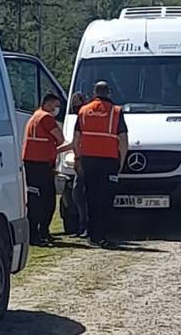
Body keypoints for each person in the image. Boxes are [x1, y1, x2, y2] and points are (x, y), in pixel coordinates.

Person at [73, 81, 128, 248]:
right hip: (108, 161)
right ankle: (103, 235)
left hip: (88, 160)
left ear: (94, 92)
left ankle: (91, 235)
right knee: (105, 198)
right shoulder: (116, 112)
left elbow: (76, 139)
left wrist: (77, 159)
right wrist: (122, 161)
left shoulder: (83, 111)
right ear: (109, 92)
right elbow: (123, 141)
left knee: (89, 197)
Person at [22, 93, 68, 246]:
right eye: (55, 105)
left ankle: (36, 233)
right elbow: (60, 138)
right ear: (48, 103)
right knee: (47, 200)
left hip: (31, 163)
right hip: (41, 165)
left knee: (35, 199)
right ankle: (41, 233)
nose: (56, 109)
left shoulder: (34, 116)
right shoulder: (46, 118)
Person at [68, 91, 89, 237]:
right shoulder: (84, 115)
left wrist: (77, 158)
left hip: (84, 159)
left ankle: (85, 225)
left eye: (76, 102)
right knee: (79, 194)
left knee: (79, 193)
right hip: (88, 158)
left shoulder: (82, 116)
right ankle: (83, 225)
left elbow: (77, 140)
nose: (74, 106)